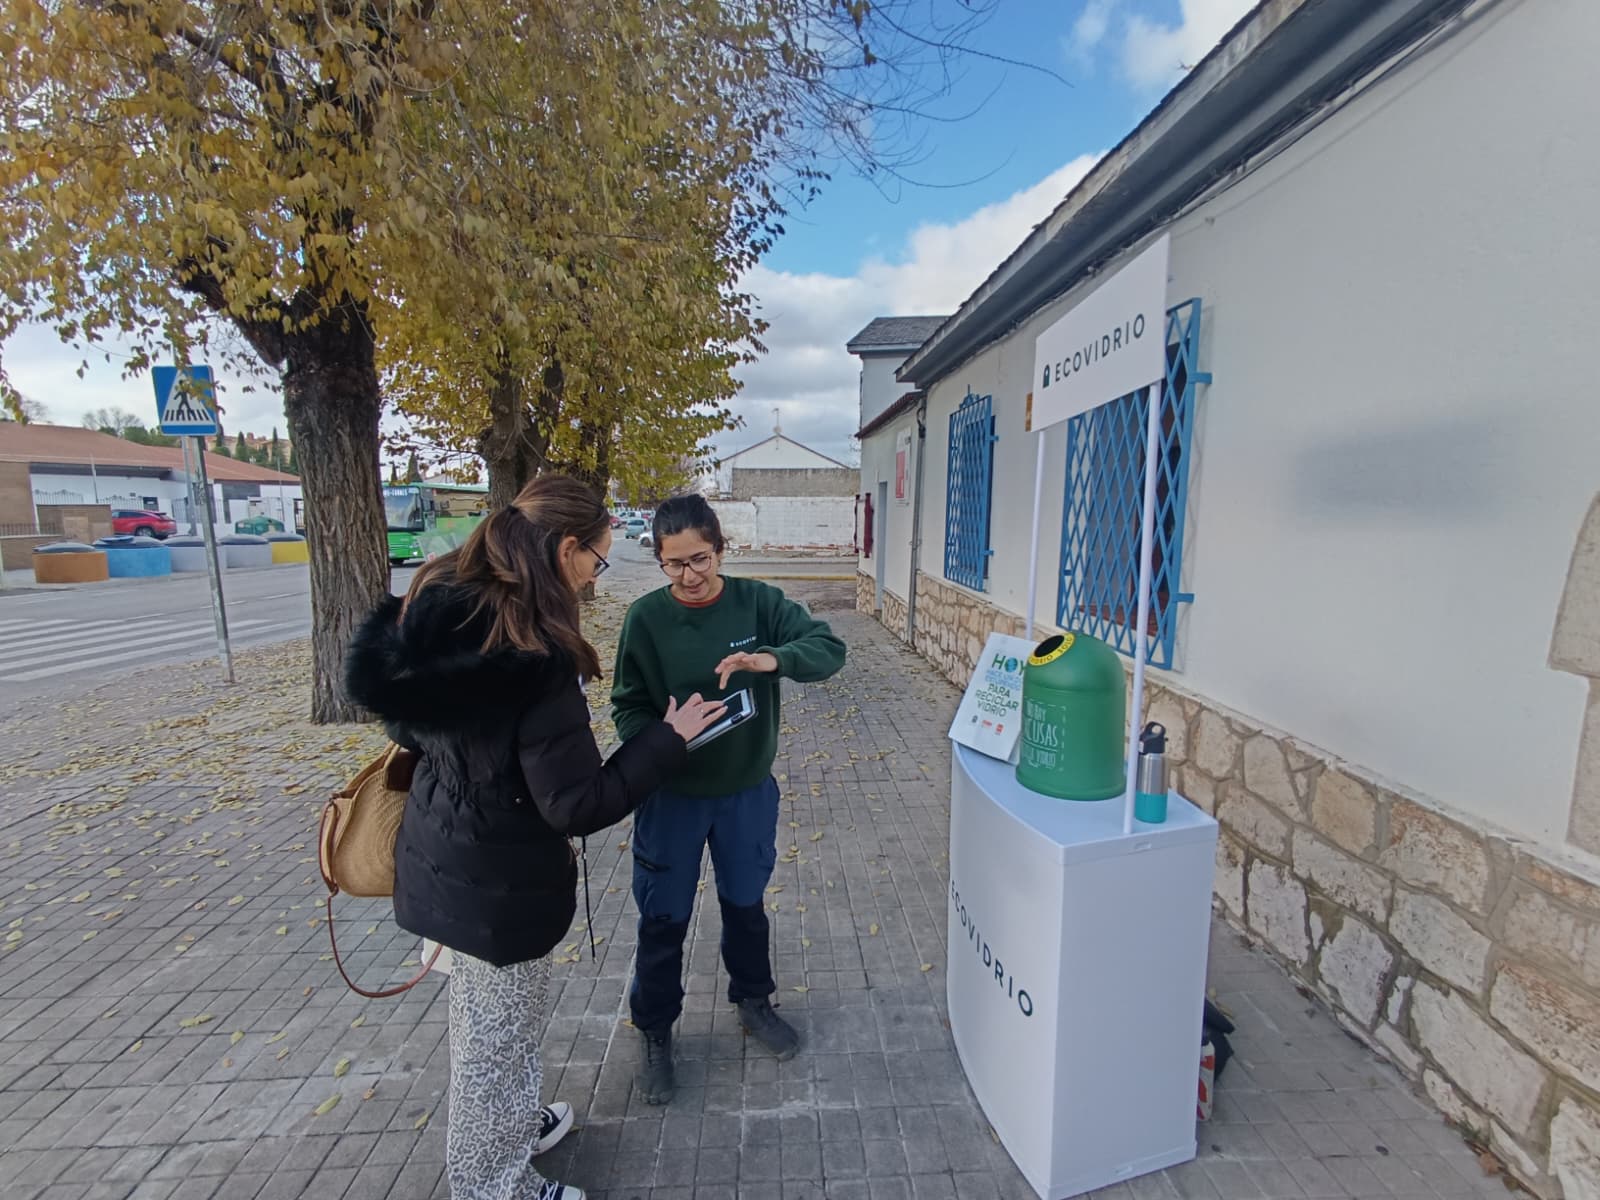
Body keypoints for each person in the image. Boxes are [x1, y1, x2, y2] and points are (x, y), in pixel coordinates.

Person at [345, 476, 726, 1200]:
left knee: (489, 1026)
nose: (594, 575)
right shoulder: (533, 651)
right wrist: (668, 738)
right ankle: (495, 1183)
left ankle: (513, 1124)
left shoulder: (443, 597)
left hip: (445, 854)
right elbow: (576, 802)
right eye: (597, 560)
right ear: (564, 547)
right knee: (493, 1047)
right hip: (498, 887)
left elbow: (406, 726)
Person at [611, 494, 847, 1104]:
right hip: (672, 798)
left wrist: (772, 659)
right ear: (659, 560)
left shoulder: (758, 603)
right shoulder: (645, 619)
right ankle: (655, 1029)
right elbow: (627, 705)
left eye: (701, 559)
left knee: (745, 906)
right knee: (663, 917)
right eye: (673, 564)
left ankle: (753, 1000)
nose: (689, 576)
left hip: (744, 794)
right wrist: (660, 738)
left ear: (721, 549)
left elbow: (828, 649)